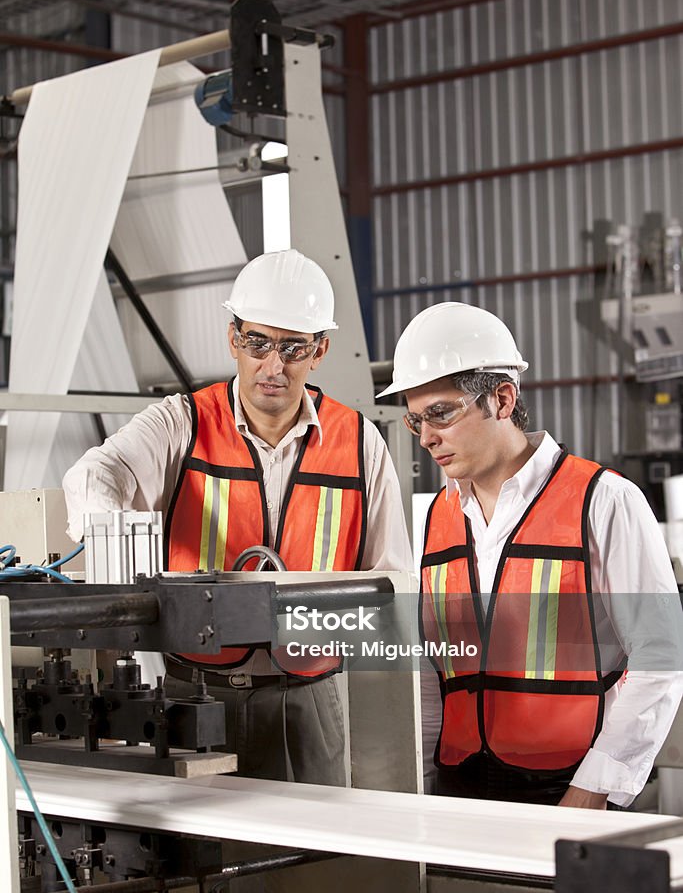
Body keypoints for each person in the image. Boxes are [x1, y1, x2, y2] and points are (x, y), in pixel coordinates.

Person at [63, 248, 412, 785]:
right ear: (233, 339)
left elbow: (394, 582)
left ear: (320, 350)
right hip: (194, 693)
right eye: (258, 343)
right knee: (201, 859)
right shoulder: (181, 423)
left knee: (312, 859)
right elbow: (95, 474)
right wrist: (110, 536)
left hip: (310, 699)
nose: (273, 366)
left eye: (294, 347)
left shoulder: (359, 443)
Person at [378, 300, 683, 809]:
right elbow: (436, 669)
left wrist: (594, 788)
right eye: (415, 421)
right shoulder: (438, 516)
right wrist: (420, 776)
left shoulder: (603, 501)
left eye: (441, 413)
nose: (427, 437)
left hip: (569, 788)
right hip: (459, 788)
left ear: (501, 399)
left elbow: (661, 655)